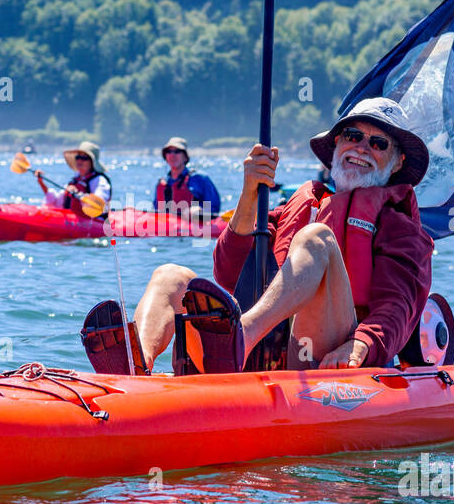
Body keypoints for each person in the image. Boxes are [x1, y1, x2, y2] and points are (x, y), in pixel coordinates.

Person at [81, 98, 434, 375]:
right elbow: (228, 275)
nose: (360, 148)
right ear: (338, 144)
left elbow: (397, 309)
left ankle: (239, 339)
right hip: (262, 351)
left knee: (316, 238)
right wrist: (250, 192)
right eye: (352, 137)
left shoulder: (401, 228)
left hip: (322, 355)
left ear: (398, 161)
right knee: (169, 275)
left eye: (377, 143)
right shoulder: (293, 207)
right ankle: (135, 364)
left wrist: (358, 346)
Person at [37, 141, 112, 219]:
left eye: (84, 158)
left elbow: (99, 204)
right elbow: (56, 201)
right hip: (75, 221)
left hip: (94, 223)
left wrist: (77, 193)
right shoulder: (77, 179)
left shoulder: (100, 180)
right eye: (78, 157)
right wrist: (41, 182)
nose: (79, 161)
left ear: (92, 162)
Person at [155, 136, 221, 219]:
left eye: (177, 151)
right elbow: (155, 212)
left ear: (185, 157)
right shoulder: (162, 183)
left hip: (195, 226)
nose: (172, 155)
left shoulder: (200, 179)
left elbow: (215, 208)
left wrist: (200, 209)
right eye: (169, 151)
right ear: (165, 156)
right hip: (167, 228)